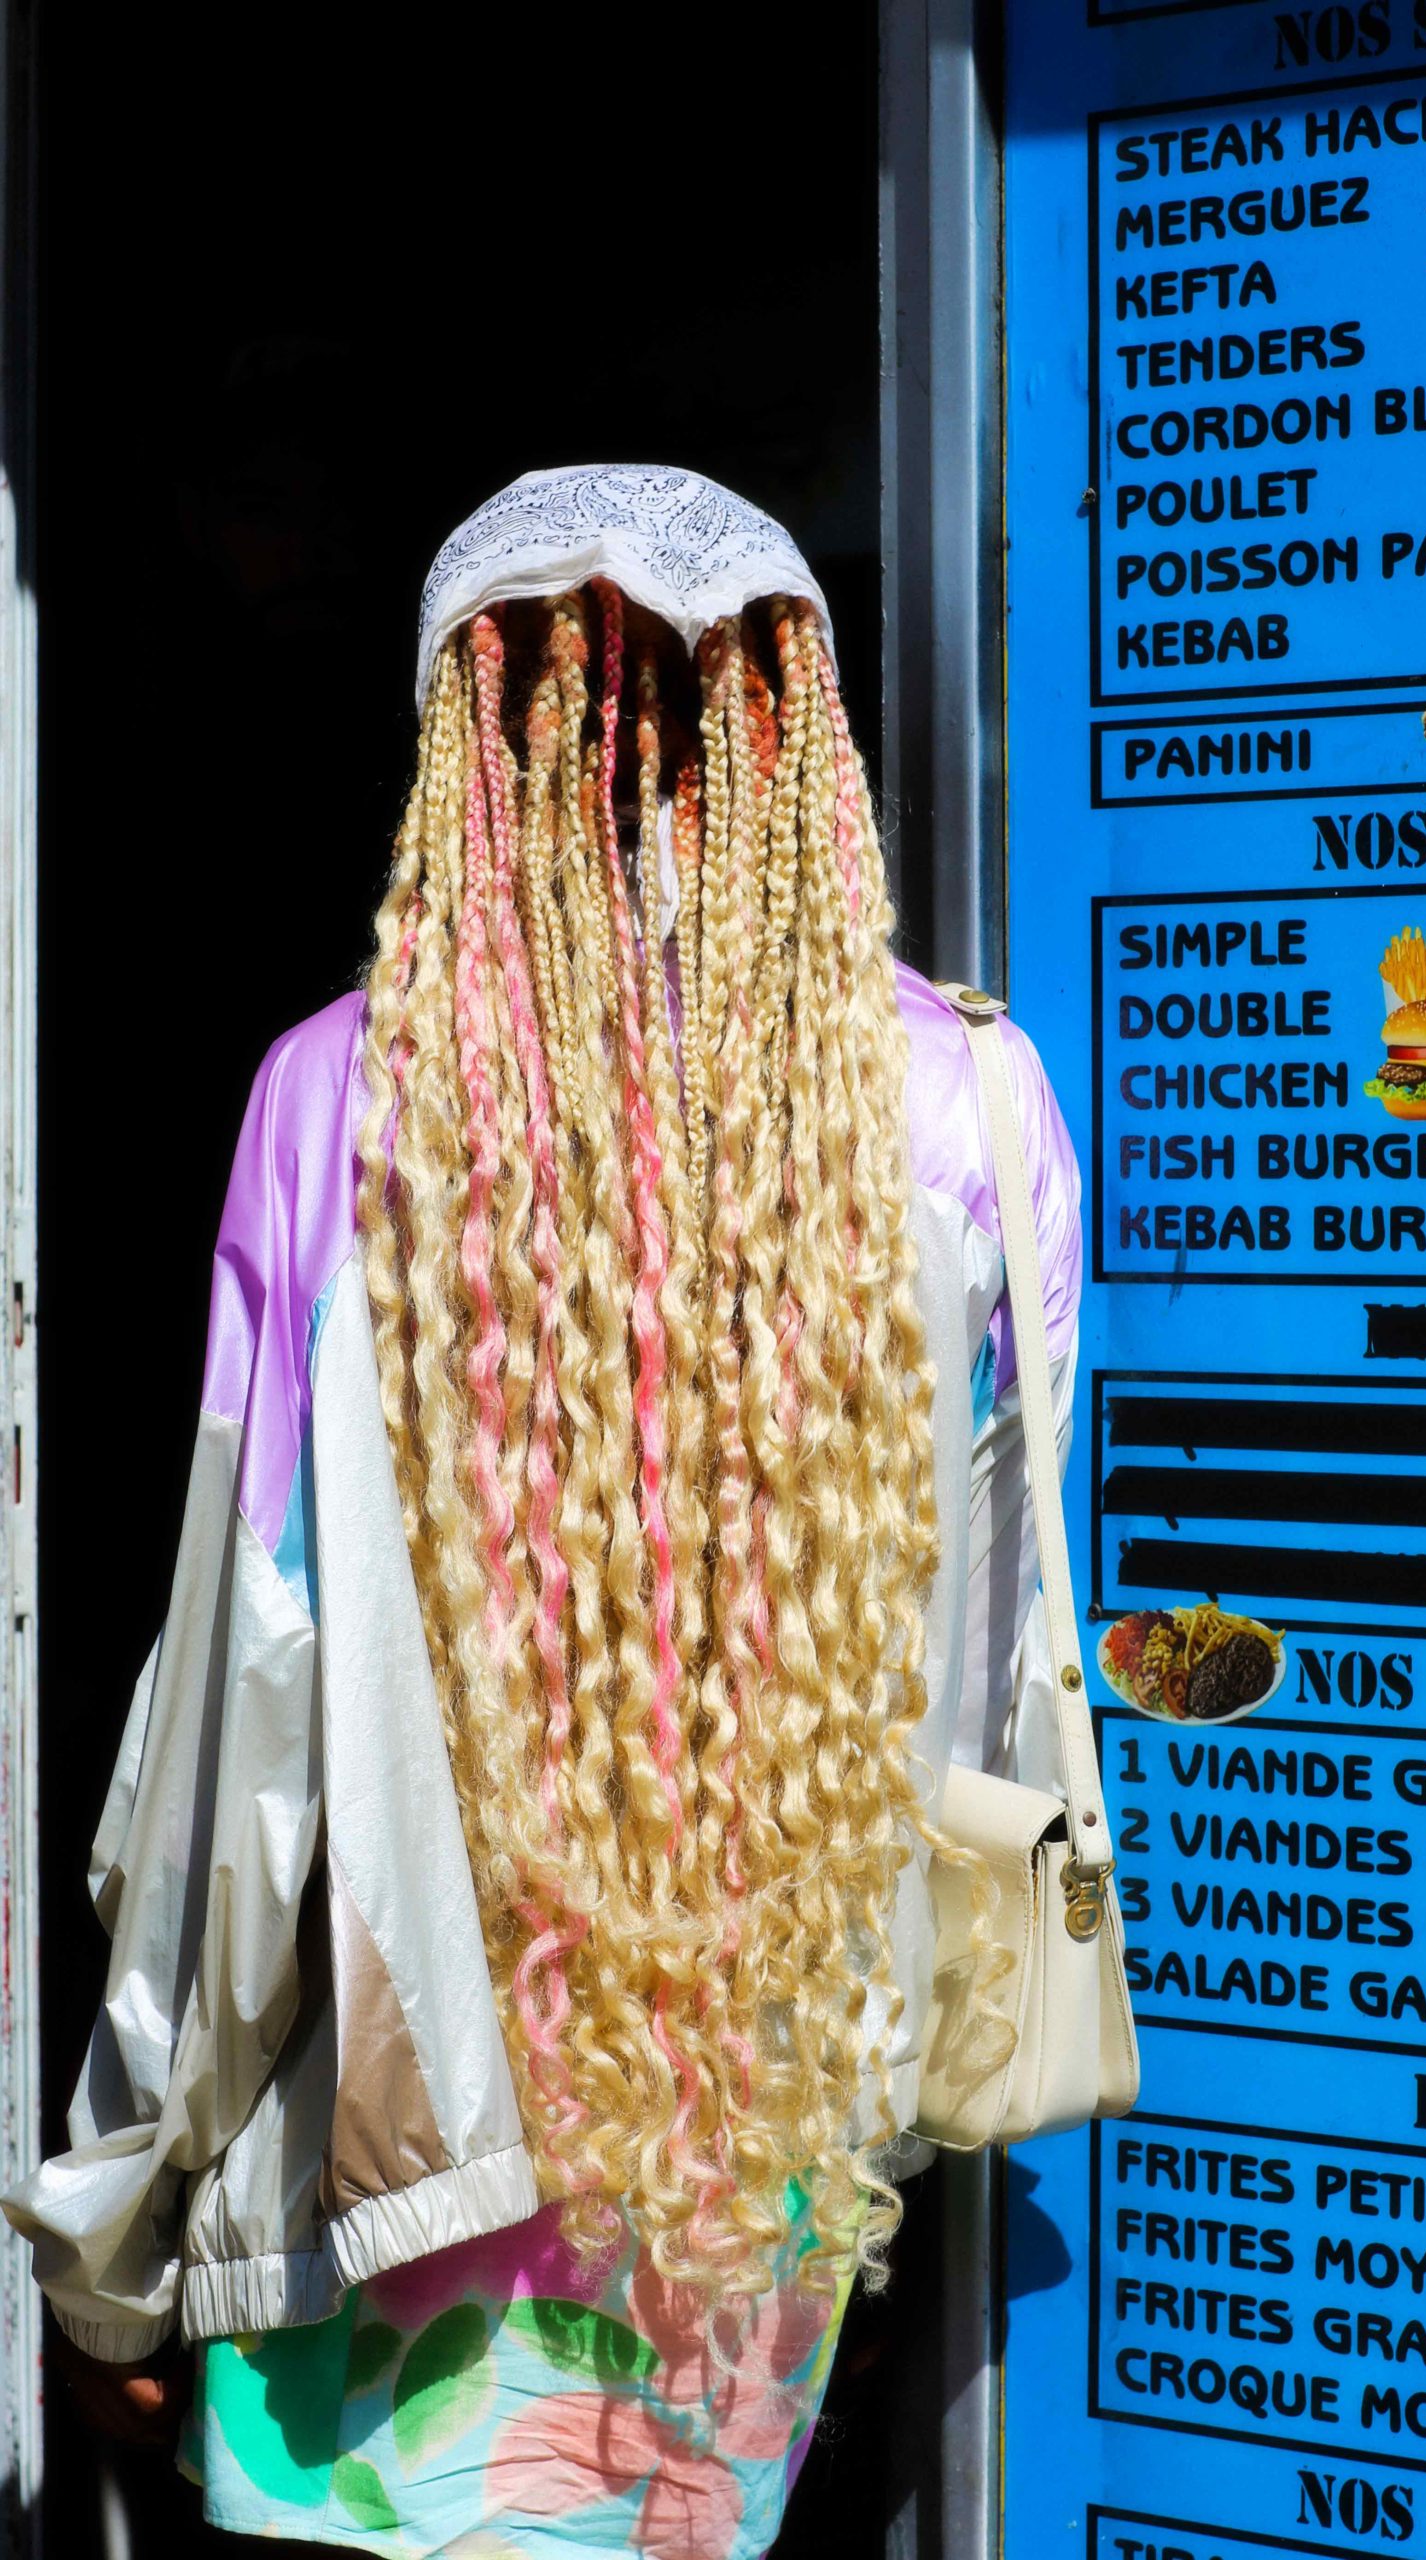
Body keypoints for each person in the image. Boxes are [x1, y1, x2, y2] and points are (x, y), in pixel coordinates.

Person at [5, 465, 1082, 2559]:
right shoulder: (975, 1100)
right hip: (759, 2168)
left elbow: (241, 1723)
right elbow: (988, 1681)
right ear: (794, 728)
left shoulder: (338, 1100)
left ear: (467, 743)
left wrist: (120, 2219)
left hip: (394, 2168)